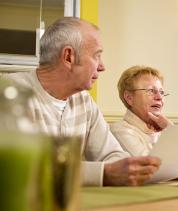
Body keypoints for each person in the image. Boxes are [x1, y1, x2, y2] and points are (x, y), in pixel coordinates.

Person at [0, 17, 161, 186]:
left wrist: (126, 169)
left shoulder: (83, 101)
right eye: (97, 56)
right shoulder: (9, 93)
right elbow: (18, 170)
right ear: (68, 57)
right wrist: (103, 174)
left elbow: (112, 155)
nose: (102, 66)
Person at [111, 65, 173, 156]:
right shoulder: (120, 131)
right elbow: (152, 166)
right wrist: (171, 132)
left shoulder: (164, 128)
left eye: (162, 92)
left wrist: (169, 129)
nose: (159, 97)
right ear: (129, 98)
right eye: (151, 91)